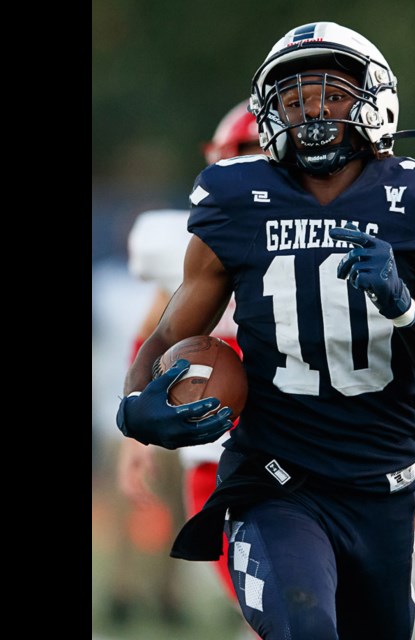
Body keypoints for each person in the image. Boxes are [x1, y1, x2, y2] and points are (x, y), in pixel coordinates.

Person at [113, 21, 415, 640]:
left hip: (382, 490)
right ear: (268, 115)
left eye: (332, 95)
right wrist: (133, 406)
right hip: (276, 481)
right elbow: (166, 333)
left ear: (374, 100)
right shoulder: (237, 198)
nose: (312, 113)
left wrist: (402, 308)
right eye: (294, 101)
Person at [117, 100, 264, 633]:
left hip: (310, 433)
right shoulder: (189, 237)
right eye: (245, 156)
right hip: (218, 438)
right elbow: (156, 330)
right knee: (265, 607)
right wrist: (136, 428)